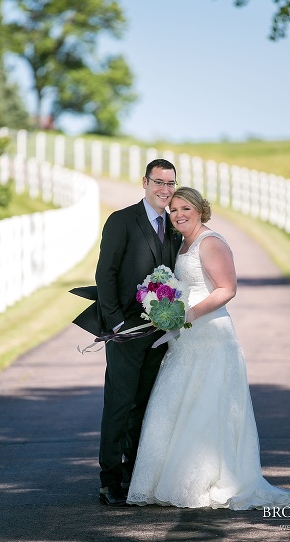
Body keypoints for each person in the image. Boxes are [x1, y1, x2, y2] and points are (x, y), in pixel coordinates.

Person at [126, 187, 290, 509]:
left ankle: (207, 480)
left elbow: (227, 288)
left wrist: (188, 314)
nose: (178, 215)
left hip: (211, 336)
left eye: (185, 208)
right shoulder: (182, 243)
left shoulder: (210, 242)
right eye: (173, 210)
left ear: (200, 209)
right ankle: (171, 480)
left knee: (208, 406)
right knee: (179, 404)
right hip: (186, 339)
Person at [94, 159, 181, 505]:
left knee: (143, 405)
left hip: (158, 332)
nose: (165, 190)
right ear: (145, 182)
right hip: (125, 330)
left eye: (170, 184)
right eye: (159, 182)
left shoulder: (174, 226)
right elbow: (106, 273)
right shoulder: (122, 220)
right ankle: (109, 480)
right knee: (119, 403)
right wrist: (115, 323)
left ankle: (134, 476)